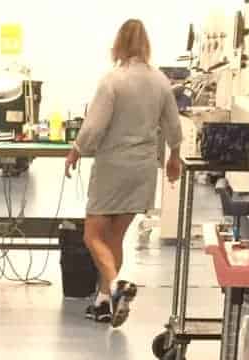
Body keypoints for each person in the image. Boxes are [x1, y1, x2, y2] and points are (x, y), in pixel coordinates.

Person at [65, 19, 182, 327]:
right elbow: (173, 125)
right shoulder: (160, 81)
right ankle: (104, 302)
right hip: (143, 167)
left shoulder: (113, 81)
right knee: (115, 236)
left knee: (93, 235)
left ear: (118, 44)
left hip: (113, 166)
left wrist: (77, 149)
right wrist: (175, 156)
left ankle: (116, 285)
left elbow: (94, 126)